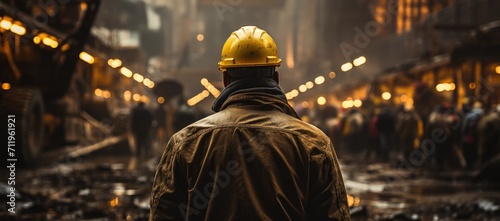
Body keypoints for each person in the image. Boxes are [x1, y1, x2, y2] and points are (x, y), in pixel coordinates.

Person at [149, 26, 350, 221]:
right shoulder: (313, 143)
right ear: (276, 77)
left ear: (226, 79)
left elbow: (164, 214)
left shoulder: (185, 142)